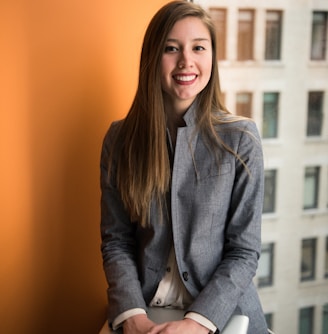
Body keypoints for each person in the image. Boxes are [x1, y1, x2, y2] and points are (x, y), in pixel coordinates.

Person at [100, 1, 268, 333]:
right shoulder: (120, 139)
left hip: (223, 315)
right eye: (171, 48)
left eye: (198, 48)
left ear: (211, 58)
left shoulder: (241, 139)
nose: (186, 61)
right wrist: (131, 315)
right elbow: (116, 240)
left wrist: (196, 324)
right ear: (152, 57)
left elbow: (244, 251)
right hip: (143, 309)